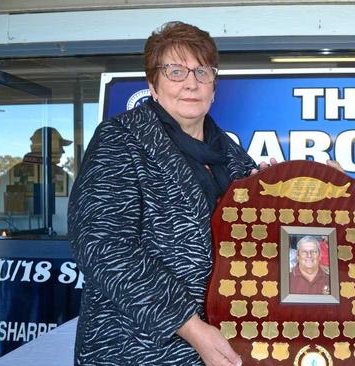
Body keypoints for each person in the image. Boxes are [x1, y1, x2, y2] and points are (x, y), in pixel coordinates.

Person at [69, 21, 260, 365]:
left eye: (202, 71)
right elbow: (103, 246)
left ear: (214, 86)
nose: (191, 82)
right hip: (134, 349)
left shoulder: (232, 155)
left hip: (224, 344)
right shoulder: (121, 139)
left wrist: (315, 188)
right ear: (153, 85)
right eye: (175, 71)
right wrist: (190, 327)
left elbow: (263, 227)